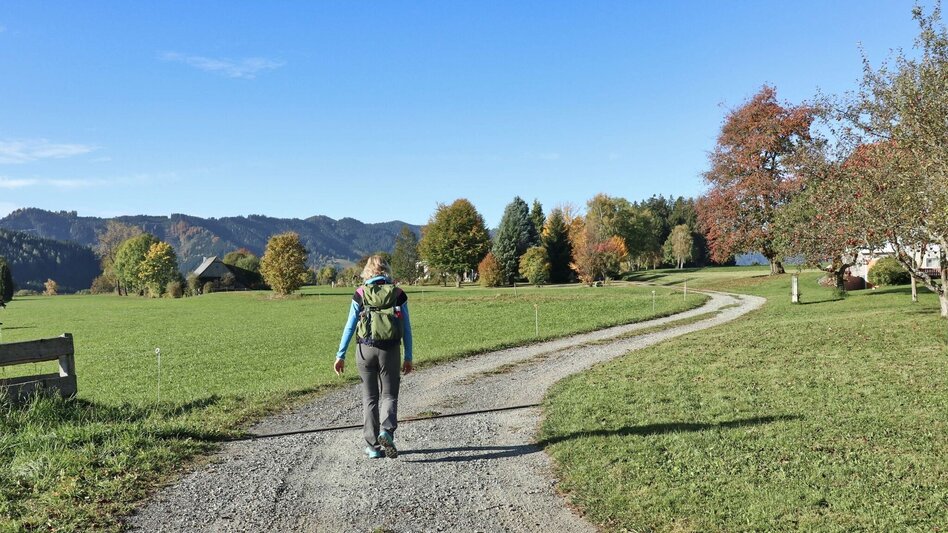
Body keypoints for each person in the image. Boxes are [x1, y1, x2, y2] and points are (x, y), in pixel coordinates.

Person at [335, 255, 413, 459]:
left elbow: (350, 326)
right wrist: (408, 356)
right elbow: (406, 328)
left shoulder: (360, 293)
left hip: (365, 350)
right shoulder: (398, 293)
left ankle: (372, 448)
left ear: (367, 272)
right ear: (387, 271)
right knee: (389, 395)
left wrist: (340, 355)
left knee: (370, 397)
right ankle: (386, 431)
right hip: (390, 350)